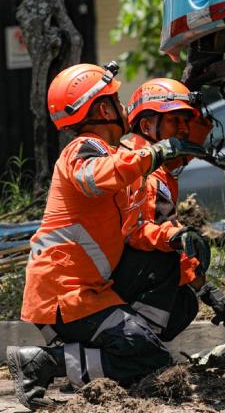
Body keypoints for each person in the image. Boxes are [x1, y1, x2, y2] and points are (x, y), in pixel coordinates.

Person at [5, 62, 206, 411]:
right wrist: (156, 152)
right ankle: (45, 363)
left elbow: (136, 231)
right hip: (65, 297)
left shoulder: (113, 158)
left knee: (165, 282)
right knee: (150, 361)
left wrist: (176, 237)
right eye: (116, 99)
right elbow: (94, 178)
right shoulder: (82, 149)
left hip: (88, 294)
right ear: (102, 108)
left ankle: (117, 346)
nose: (123, 106)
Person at [116, 78, 225, 341]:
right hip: (95, 287)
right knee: (180, 262)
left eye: (185, 122)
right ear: (146, 125)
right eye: (173, 121)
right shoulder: (149, 172)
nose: (183, 130)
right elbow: (154, 236)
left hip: (90, 283)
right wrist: (203, 287)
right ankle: (137, 342)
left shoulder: (131, 157)